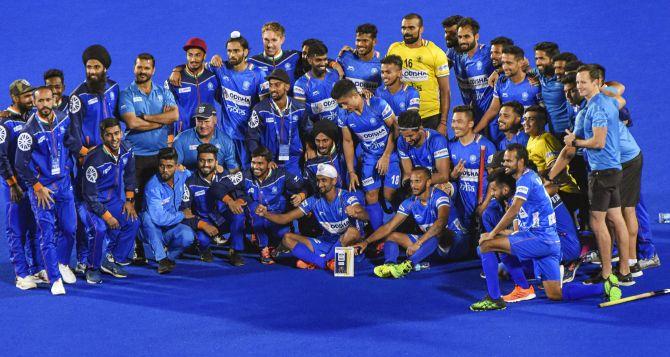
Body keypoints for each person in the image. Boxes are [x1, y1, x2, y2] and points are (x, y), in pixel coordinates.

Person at [470, 145, 621, 311]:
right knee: (555, 293)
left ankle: (495, 298)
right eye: (504, 160)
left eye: (508, 160)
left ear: (520, 162)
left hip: (540, 239)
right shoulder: (530, 178)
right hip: (550, 242)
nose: (504, 163)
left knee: (486, 245)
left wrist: (492, 234)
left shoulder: (525, 180)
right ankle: (604, 287)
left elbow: (514, 210)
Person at [563, 64, 632, 285]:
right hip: (613, 169)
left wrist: (575, 142)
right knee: (615, 218)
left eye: (584, 82)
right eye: (577, 82)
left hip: (602, 171)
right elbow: (621, 100)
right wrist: (603, 91)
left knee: (597, 222)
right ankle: (624, 271)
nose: (579, 86)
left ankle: (605, 273)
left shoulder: (597, 108)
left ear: (596, 82)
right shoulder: (608, 101)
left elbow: (598, 142)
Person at [15, 86, 83, 295]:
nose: (45, 105)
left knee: (70, 228)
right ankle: (54, 278)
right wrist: (37, 187)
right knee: (47, 234)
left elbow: (72, 143)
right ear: (34, 103)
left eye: (48, 100)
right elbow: (20, 164)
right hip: (43, 190)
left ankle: (62, 263)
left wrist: (69, 166)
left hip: (63, 185)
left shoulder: (64, 119)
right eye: (40, 101)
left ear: (55, 100)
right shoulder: (28, 132)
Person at [120, 53, 178, 264]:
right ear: (134, 68)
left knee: (157, 202)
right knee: (134, 203)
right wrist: (159, 122)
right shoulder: (126, 94)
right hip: (136, 158)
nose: (142, 71)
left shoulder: (163, 92)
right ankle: (136, 247)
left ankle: (159, 242)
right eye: (139, 67)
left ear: (153, 71)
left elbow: (174, 116)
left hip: (159, 157)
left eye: (146, 68)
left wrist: (147, 117)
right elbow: (132, 123)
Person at [255, 163, 369, 270]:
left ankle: (318, 261)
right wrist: (265, 214)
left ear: (334, 181)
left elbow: (366, 216)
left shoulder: (346, 197)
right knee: (287, 238)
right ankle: (326, 261)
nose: (319, 185)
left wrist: (357, 212)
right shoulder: (313, 200)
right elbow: (285, 218)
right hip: (326, 243)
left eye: (324, 180)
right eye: (318, 181)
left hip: (348, 243)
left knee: (352, 232)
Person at [354, 167, 452, 278]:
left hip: (452, 244)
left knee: (438, 234)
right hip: (429, 246)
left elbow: (441, 223)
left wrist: (418, 243)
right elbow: (389, 226)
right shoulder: (410, 202)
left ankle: (407, 265)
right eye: (411, 181)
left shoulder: (440, 197)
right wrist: (366, 242)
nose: (413, 185)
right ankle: (390, 266)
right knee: (390, 236)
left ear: (428, 182)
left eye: (417, 181)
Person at [333, 79, 399, 231]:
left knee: (390, 195)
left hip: (391, 154)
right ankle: (379, 235)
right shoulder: (343, 114)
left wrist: (386, 156)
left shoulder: (378, 104)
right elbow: (348, 141)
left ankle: (400, 230)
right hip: (369, 158)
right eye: (339, 104)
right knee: (370, 195)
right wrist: (351, 171)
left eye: (344, 102)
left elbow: (395, 129)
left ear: (354, 95)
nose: (342, 107)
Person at [80, 118, 139, 283]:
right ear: (102, 136)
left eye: (116, 133)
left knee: (132, 221)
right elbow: (89, 196)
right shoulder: (93, 159)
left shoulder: (127, 150)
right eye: (109, 135)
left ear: (121, 133)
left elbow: (130, 176)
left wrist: (129, 200)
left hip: (112, 200)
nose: (114, 139)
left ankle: (110, 259)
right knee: (99, 229)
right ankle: (92, 267)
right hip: (90, 204)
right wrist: (107, 216)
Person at [0, 80, 42, 290]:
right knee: (16, 229)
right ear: (15, 98)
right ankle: (21, 274)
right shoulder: (4, 124)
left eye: (31, 94)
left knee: (35, 227)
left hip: (31, 184)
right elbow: (0, 156)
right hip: (15, 187)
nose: (31, 99)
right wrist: (12, 184)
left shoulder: (31, 117)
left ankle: (36, 268)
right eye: (26, 96)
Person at [387, 13, 450, 134]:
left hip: (429, 117)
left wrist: (443, 123)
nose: (406, 32)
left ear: (421, 29)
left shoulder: (435, 52)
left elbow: (445, 90)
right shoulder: (394, 49)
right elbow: (386, 76)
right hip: (402, 115)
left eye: (411, 28)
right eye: (404, 28)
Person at [182, 143, 245, 263]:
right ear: (197, 161)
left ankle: (235, 251)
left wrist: (238, 201)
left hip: (224, 219)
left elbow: (240, 194)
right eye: (202, 161)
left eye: (210, 161)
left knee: (239, 214)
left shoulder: (226, 176)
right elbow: (185, 211)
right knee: (202, 239)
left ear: (216, 162)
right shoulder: (189, 183)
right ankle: (204, 249)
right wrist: (202, 225)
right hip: (206, 223)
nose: (205, 164)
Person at [244, 147, 307, 264]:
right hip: (257, 218)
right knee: (255, 210)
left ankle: (276, 246)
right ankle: (263, 248)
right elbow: (223, 187)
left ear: (269, 164)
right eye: (253, 163)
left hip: (277, 217)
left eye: (260, 163)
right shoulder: (245, 175)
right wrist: (232, 201)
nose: (255, 167)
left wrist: (301, 196)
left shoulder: (281, 174)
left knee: (284, 236)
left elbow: (305, 186)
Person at [140, 147, 195, 274]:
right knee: (147, 217)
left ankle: (169, 257)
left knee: (188, 236)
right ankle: (161, 259)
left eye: (169, 166)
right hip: (153, 230)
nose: (165, 170)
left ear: (176, 166)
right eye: (161, 166)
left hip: (171, 227)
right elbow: (158, 219)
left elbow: (193, 175)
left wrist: (217, 170)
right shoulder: (152, 186)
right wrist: (182, 214)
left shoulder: (182, 175)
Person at [247, 69, 311, 177]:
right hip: (269, 162)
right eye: (270, 85)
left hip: (294, 160)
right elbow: (252, 138)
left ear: (287, 87)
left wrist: (310, 147)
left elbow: (308, 131)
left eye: (277, 85)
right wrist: (263, 160)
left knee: (296, 188)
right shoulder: (260, 109)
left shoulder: (299, 108)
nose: (272, 89)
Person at [475, 45, 541, 143]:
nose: (505, 67)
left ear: (521, 62)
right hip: (504, 138)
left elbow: (543, 113)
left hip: (528, 139)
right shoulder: (501, 82)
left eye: (509, 63)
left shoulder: (534, 83)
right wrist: (474, 131)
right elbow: (493, 110)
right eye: (503, 63)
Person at [448, 105, 496, 240]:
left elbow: (495, 179)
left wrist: (485, 204)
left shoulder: (486, 146)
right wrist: (453, 175)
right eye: (453, 121)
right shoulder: (451, 146)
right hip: (462, 205)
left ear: (470, 123)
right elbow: (448, 177)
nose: (454, 126)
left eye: (459, 122)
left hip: (483, 203)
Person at [167, 37, 219, 134]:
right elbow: (167, 111)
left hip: (209, 132)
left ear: (204, 56)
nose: (193, 59)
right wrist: (169, 137)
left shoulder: (212, 77)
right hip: (184, 133)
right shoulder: (174, 80)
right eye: (190, 55)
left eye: (197, 55)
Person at [451, 17, 496, 130]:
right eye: (460, 37)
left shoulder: (488, 52)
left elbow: (520, 60)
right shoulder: (461, 59)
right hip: (477, 115)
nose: (463, 40)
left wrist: (497, 71)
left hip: (495, 115)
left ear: (476, 37)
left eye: (467, 36)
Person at [173, 103, 238, 172]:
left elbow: (233, 169)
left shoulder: (226, 141)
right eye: (199, 121)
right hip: (189, 180)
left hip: (215, 181)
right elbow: (174, 167)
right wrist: (182, 171)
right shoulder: (180, 140)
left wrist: (223, 172)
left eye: (207, 121)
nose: (203, 125)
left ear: (215, 120)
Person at [529, 42, 572, 137]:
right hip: (553, 133)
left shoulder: (565, 77)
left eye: (541, 59)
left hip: (570, 133)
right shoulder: (539, 73)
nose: (537, 63)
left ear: (553, 60)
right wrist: (497, 72)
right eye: (536, 59)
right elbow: (525, 70)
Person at [397, 110, 450, 185]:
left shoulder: (437, 140)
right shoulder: (401, 141)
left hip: (438, 182)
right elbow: (408, 173)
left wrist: (418, 183)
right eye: (404, 136)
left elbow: (443, 176)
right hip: (417, 182)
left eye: (410, 136)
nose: (407, 140)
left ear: (420, 129)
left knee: (445, 189)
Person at [293, 42, 342, 122]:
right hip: (318, 131)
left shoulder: (335, 74)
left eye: (325, 59)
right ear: (309, 60)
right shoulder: (300, 85)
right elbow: (301, 115)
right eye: (318, 60)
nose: (323, 64)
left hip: (340, 127)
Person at [337, 23, 382, 93]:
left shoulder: (380, 66)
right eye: (358, 40)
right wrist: (333, 64)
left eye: (365, 41)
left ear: (374, 42)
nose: (360, 44)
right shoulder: (345, 57)